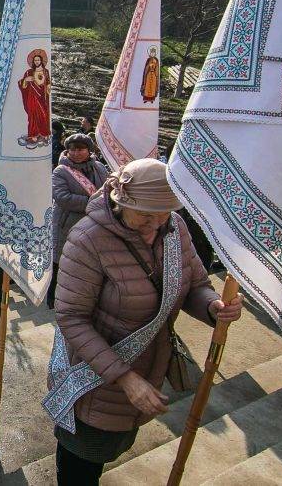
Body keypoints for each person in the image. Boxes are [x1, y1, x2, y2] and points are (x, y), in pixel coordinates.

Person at [50, 159, 242, 484]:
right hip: (96, 379)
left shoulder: (174, 228)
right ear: (121, 203)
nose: (153, 225)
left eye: (161, 213)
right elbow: (71, 317)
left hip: (148, 371)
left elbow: (195, 282)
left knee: (115, 443)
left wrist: (213, 308)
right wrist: (125, 379)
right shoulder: (88, 239)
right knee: (82, 461)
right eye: (145, 215)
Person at [47, 134, 109, 309]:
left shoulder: (99, 168)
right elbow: (62, 197)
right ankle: (54, 301)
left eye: (80, 149)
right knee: (61, 264)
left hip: (94, 225)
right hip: (67, 226)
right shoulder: (61, 171)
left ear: (89, 151)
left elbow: (107, 190)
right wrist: (94, 203)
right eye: (72, 149)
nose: (75, 153)